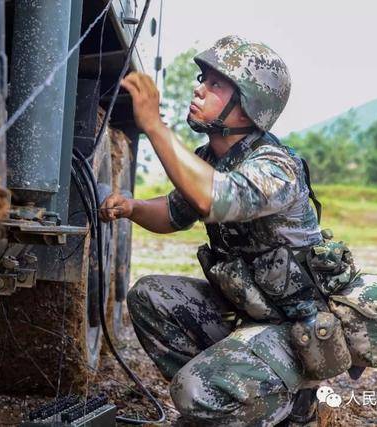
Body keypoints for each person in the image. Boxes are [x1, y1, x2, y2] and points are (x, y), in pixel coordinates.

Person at [100, 35, 324, 425]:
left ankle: (294, 406)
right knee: (151, 296)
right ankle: (224, 401)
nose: (198, 89)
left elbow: (213, 199)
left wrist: (154, 126)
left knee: (193, 390)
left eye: (215, 84)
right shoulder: (212, 159)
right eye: (202, 79)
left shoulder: (275, 166)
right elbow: (173, 214)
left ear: (250, 105)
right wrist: (133, 208)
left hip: (293, 332)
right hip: (250, 314)